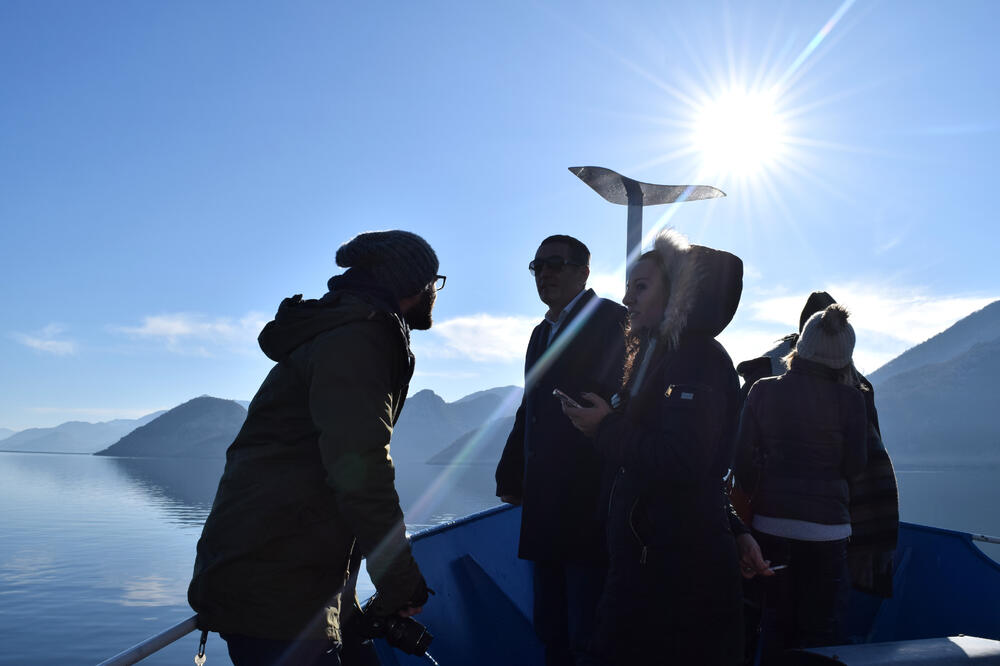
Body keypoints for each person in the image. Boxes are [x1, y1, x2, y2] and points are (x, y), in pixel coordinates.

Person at [188, 230, 442, 666]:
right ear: (412, 285)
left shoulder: (347, 328)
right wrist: (399, 581)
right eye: (432, 282)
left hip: (286, 573)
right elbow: (360, 469)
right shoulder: (357, 338)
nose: (434, 293)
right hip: (276, 591)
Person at [563, 229, 746, 665]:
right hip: (651, 559)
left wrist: (604, 428)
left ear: (678, 293)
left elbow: (682, 460)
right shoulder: (661, 355)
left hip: (675, 572)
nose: (627, 299)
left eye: (640, 287)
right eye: (628, 287)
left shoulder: (694, 359)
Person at [495, 234, 627, 666]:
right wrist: (511, 474)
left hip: (590, 506)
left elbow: (628, 402)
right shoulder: (540, 332)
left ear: (584, 272)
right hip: (545, 506)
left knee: (588, 630)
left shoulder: (612, 320)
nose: (545, 273)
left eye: (555, 264)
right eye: (538, 266)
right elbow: (531, 408)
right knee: (550, 627)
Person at [734, 304, 868, 660]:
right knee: (821, 632)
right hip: (828, 532)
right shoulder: (852, 400)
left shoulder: (762, 390)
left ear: (802, 346)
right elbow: (856, 466)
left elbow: (742, 461)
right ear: (844, 357)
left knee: (774, 624)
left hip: (771, 526)